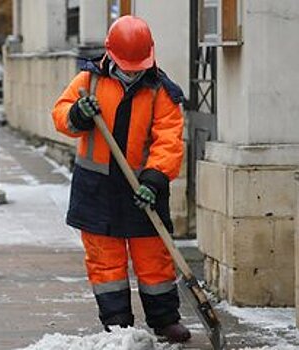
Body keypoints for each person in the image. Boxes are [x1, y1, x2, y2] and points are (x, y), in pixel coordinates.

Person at [51, 16, 190, 342]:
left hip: (142, 189)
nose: (131, 71)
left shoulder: (161, 91)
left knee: (153, 259)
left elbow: (169, 141)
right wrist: (78, 114)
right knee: (105, 262)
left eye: (136, 66)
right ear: (111, 55)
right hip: (96, 188)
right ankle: (118, 325)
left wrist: (154, 180)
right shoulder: (90, 80)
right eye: (126, 66)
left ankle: (164, 320)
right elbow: (60, 114)